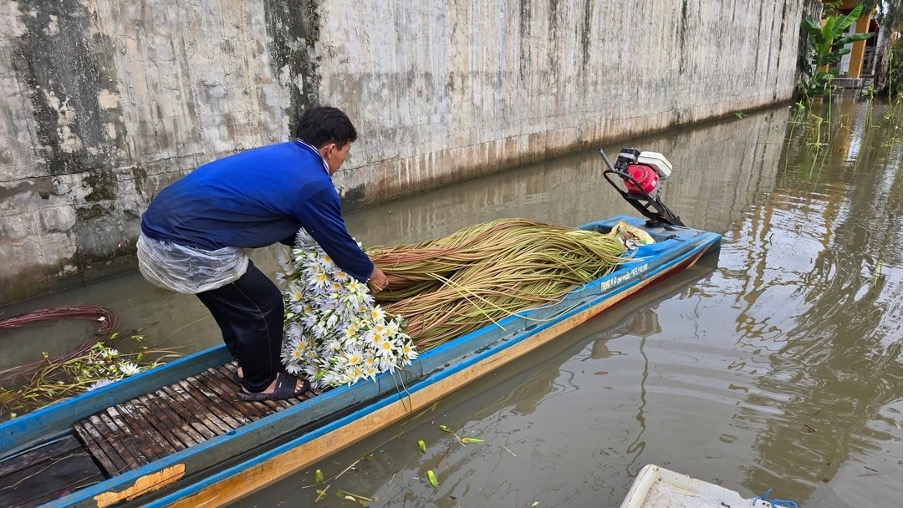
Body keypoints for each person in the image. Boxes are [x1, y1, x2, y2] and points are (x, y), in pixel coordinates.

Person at [136, 106, 388, 401]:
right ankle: (259, 383)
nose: (344, 159)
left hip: (164, 227)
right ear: (331, 149)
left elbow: (279, 218)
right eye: (346, 151)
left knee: (232, 304)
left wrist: (311, 251)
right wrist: (370, 272)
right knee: (264, 304)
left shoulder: (286, 156)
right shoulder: (314, 183)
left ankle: (247, 364)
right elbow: (337, 239)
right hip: (187, 242)